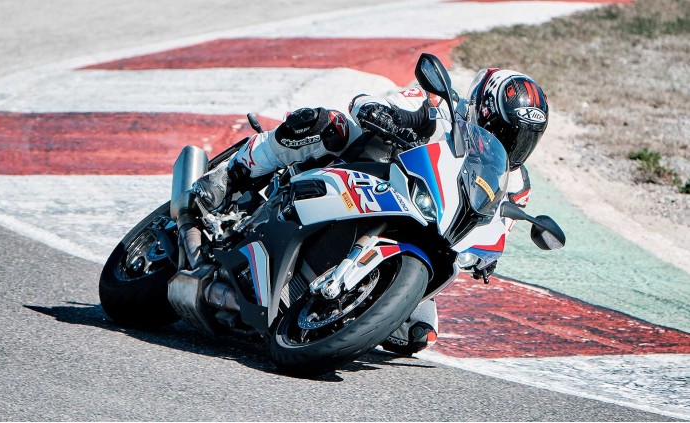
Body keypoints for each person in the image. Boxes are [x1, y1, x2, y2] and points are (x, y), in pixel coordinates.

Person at [188, 67, 549, 356]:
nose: (511, 144)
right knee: (325, 124)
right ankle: (230, 176)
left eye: (523, 138)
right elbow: (367, 102)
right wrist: (380, 113)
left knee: (417, 335)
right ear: (480, 110)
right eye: (504, 131)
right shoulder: (439, 110)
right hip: (365, 178)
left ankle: (331, 310)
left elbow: (496, 227)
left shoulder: (515, 183)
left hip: (425, 232)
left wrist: (485, 257)